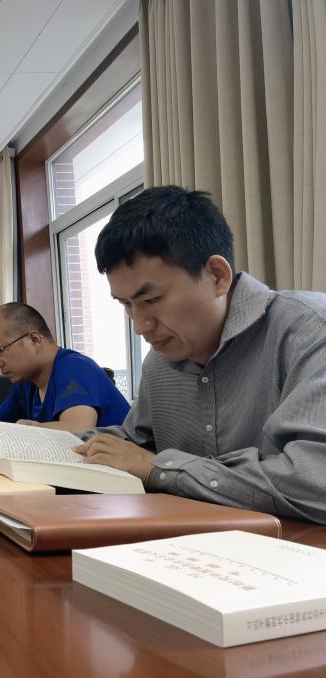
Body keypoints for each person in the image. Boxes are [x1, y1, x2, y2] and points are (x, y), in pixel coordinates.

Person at [73, 185, 326, 523]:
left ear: (217, 276)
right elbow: (135, 444)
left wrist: (160, 469)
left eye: (151, 300)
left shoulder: (311, 331)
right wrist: (41, 444)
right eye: (127, 305)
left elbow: (315, 481)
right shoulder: (159, 362)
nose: (140, 326)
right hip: (187, 540)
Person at [0, 303, 129, 437]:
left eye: (0, 351)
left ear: (34, 339)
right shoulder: (27, 383)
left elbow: (77, 430)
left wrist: (14, 430)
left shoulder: (75, 368)